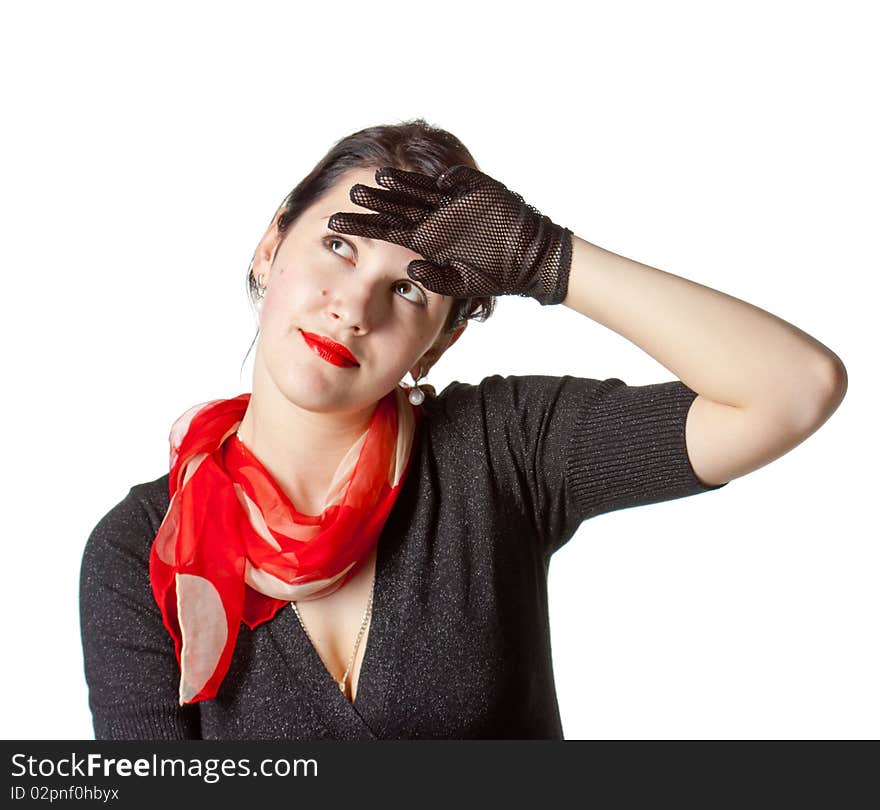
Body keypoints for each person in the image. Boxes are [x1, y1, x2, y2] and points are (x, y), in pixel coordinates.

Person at [78, 118, 845, 740]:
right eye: (338, 245)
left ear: (439, 343)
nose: (353, 307)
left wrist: (548, 259)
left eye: (409, 288)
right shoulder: (136, 547)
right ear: (271, 246)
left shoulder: (500, 447)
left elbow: (793, 391)